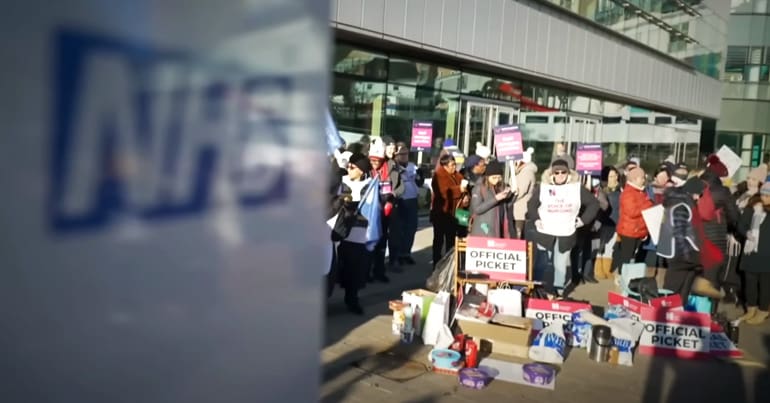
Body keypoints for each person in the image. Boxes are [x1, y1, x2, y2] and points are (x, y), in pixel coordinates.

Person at [526, 159, 599, 294]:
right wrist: (536, 219)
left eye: (563, 172)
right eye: (557, 172)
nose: (560, 175)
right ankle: (536, 289)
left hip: (566, 232)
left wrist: (583, 220)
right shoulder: (543, 187)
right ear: (551, 174)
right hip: (545, 232)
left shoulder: (576, 188)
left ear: (568, 173)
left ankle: (558, 293)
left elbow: (594, 204)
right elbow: (531, 204)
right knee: (542, 262)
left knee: (560, 265)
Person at [657, 177, 722, 301]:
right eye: (698, 194)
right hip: (679, 253)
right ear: (691, 191)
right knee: (673, 288)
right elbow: (679, 233)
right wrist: (687, 255)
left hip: (677, 252)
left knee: (683, 287)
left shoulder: (677, 202)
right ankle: (665, 312)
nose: (698, 198)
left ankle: (678, 310)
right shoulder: (682, 206)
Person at [335, 153, 375, 315]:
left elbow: (372, 210)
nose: (349, 169)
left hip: (359, 236)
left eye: (352, 167)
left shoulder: (371, 185)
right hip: (338, 235)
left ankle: (352, 299)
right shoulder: (341, 183)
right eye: (348, 166)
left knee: (354, 272)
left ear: (361, 170)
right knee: (334, 270)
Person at [737, 183, 770, 325]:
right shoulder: (752, 208)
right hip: (751, 253)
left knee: (765, 285)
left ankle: (763, 310)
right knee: (749, 283)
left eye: (768, 196)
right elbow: (741, 225)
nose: (765, 198)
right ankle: (751, 309)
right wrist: (747, 233)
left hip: (767, 255)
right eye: (763, 194)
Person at [615, 167, 654, 275]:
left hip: (637, 230)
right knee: (626, 257)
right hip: (629, 231)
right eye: (642, 177)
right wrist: (647, 206)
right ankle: (622, 277)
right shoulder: (628, 193)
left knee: (632, 257)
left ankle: (628, 277)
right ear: (635, 179)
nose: (644, 180)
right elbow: (632, 211)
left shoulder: (641, 192)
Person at [431, 154, 466, 268]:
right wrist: (459, 190)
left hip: (455, 213)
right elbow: (443, 192)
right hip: (442, 213)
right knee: (439, 239)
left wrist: (466, 196)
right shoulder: (438, 176)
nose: (454, 167)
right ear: (444, 166)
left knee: (451, 239)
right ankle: (436, 263)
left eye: (455, 164)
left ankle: (449, 264)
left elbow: (465, 191)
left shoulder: (458, 176)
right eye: (451, 165)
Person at [391, 143, 423, 266]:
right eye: (401, 154)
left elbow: (419, 182)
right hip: (400, 200)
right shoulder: (394, 166)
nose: (404, 156)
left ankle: (406, 253)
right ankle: (397, 254)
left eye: (406, 154)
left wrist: (420, 176)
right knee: (400, 229)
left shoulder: (412, 166)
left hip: (412, 199)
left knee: (411, 228)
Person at [469, 161, 515, 238]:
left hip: (497, 229)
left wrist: (512, 196)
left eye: (499, 177)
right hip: (483, 231)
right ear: (487, 176)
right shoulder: (479, 187)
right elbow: (477, 209)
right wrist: (496, 199)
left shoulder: (500, 187)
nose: (497, 180)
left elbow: (504, 207)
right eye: (494, 177)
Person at [595, 166, 621, 279]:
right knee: (600, 246)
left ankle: (607, 268)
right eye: (611, 176)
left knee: (610, 247)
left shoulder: (621, 191)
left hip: (616, 222)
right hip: (604, 221)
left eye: (615, 175)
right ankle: (597, 268)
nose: (614, 178)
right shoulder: (602, 191)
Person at [513, 147, 538, 239]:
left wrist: (510, 199)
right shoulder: (523, 171)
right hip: (519, 206)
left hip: (520, 207)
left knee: (518, 232)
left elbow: (522, 190)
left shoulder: (526, 172)